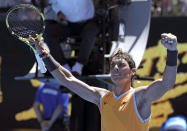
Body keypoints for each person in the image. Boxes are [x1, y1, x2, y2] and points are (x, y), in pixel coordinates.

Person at [30, 32, 178, 131]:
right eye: (112, 65)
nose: (115, 68)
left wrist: (172, 52)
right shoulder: (102, 97)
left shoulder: (139, 97)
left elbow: (166, 84)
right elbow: (68, 79)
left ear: (133, 72)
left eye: (121, 65)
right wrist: (44, 54)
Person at [43, 0, 100, 75]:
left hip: (88, 23)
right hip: (68, 24)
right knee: (48, 32)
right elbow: (54, 3)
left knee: (91, 31)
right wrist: (59, 12)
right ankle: (64, 67)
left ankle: (79, 66)